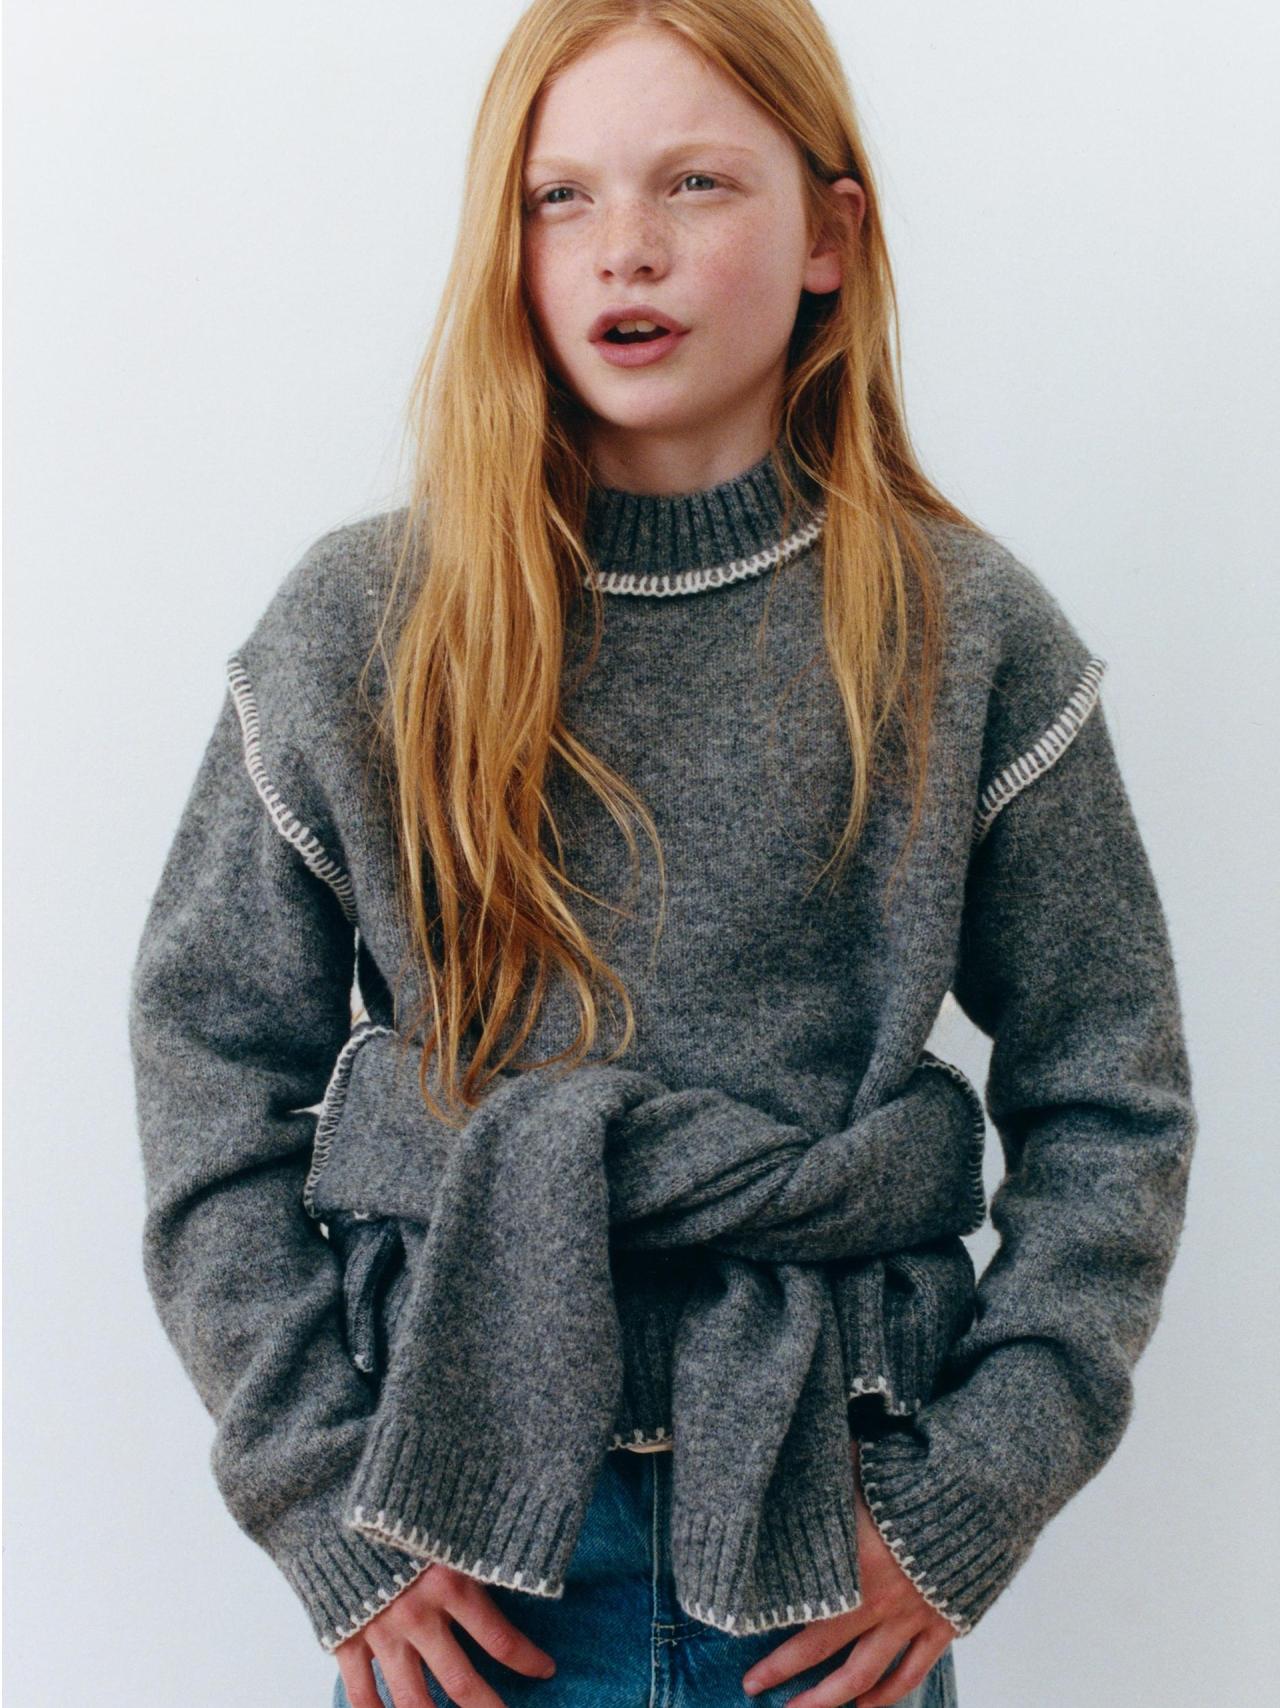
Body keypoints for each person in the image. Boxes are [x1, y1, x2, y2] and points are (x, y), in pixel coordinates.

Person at [127, 3, 1197, 1707]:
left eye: (695, 182)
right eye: (559, 196)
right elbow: (210, 1065)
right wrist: (316, 1488)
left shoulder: (967, 633)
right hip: (456, 1544)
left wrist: (978, 1489)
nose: (624, 245)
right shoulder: (365, 627)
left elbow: (1111, 1095)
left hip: (831, 1528)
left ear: (831, 234)